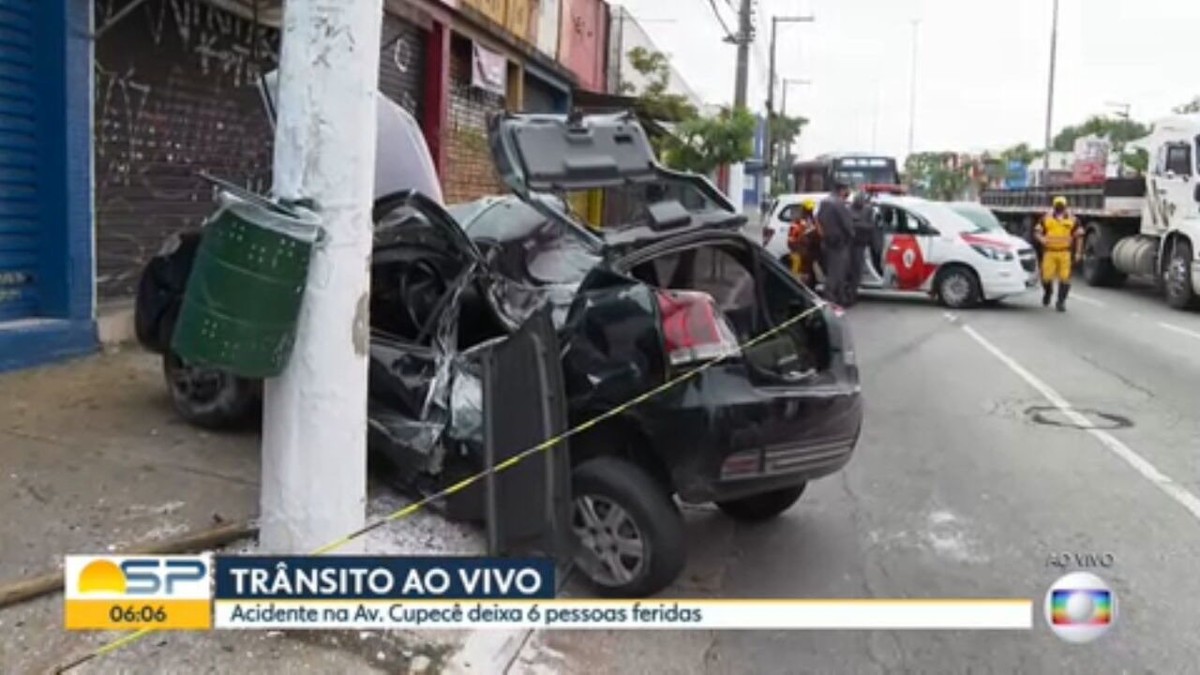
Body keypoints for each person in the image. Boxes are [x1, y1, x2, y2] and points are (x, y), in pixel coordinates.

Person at [1034, 195, 1083, 311]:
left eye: (1062, 205)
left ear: (1065, 206)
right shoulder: (1046, 218)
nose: (1060, 207)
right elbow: (1037, 232)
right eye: (1058, 205)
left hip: (1065, 253)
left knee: (1065, 278)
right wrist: (1042, 239)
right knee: (1046, 278)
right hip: (1049, 252)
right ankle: (1048, 292)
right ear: (1054, 206)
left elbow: (1079, 237)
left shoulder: (1073, 220)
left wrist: (1078, 253)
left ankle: (1061, 302)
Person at [817, 182, 855, 305]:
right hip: (839, 243)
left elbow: (818, 219)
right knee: (837, 273)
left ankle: (838, 298)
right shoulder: (839, 204)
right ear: (842, 190)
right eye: (847, 190)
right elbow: (847, 224)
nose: (848, 193)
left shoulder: (824, 202)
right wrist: (852, 235)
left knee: (831, 271)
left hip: (826, 242)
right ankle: (831, 300)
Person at [845, 191, 874, 306]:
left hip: (860, 244)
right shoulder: (847, 209)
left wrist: (856, 225)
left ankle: (852, 294)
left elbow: (871, 226)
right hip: (847, 244)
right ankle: (846, 294)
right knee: (846, 271)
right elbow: (845, 224)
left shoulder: (868, 210)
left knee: (856, 270)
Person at [787, 199, 820, 286]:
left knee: (806, 273)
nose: (810, 211)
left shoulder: (811, 221)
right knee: (798, 274)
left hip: (806, 254)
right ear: (804, 210)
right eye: (809, 209)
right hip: (800, 253)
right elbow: (792, 240)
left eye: (811, 209)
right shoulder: (800, 223)